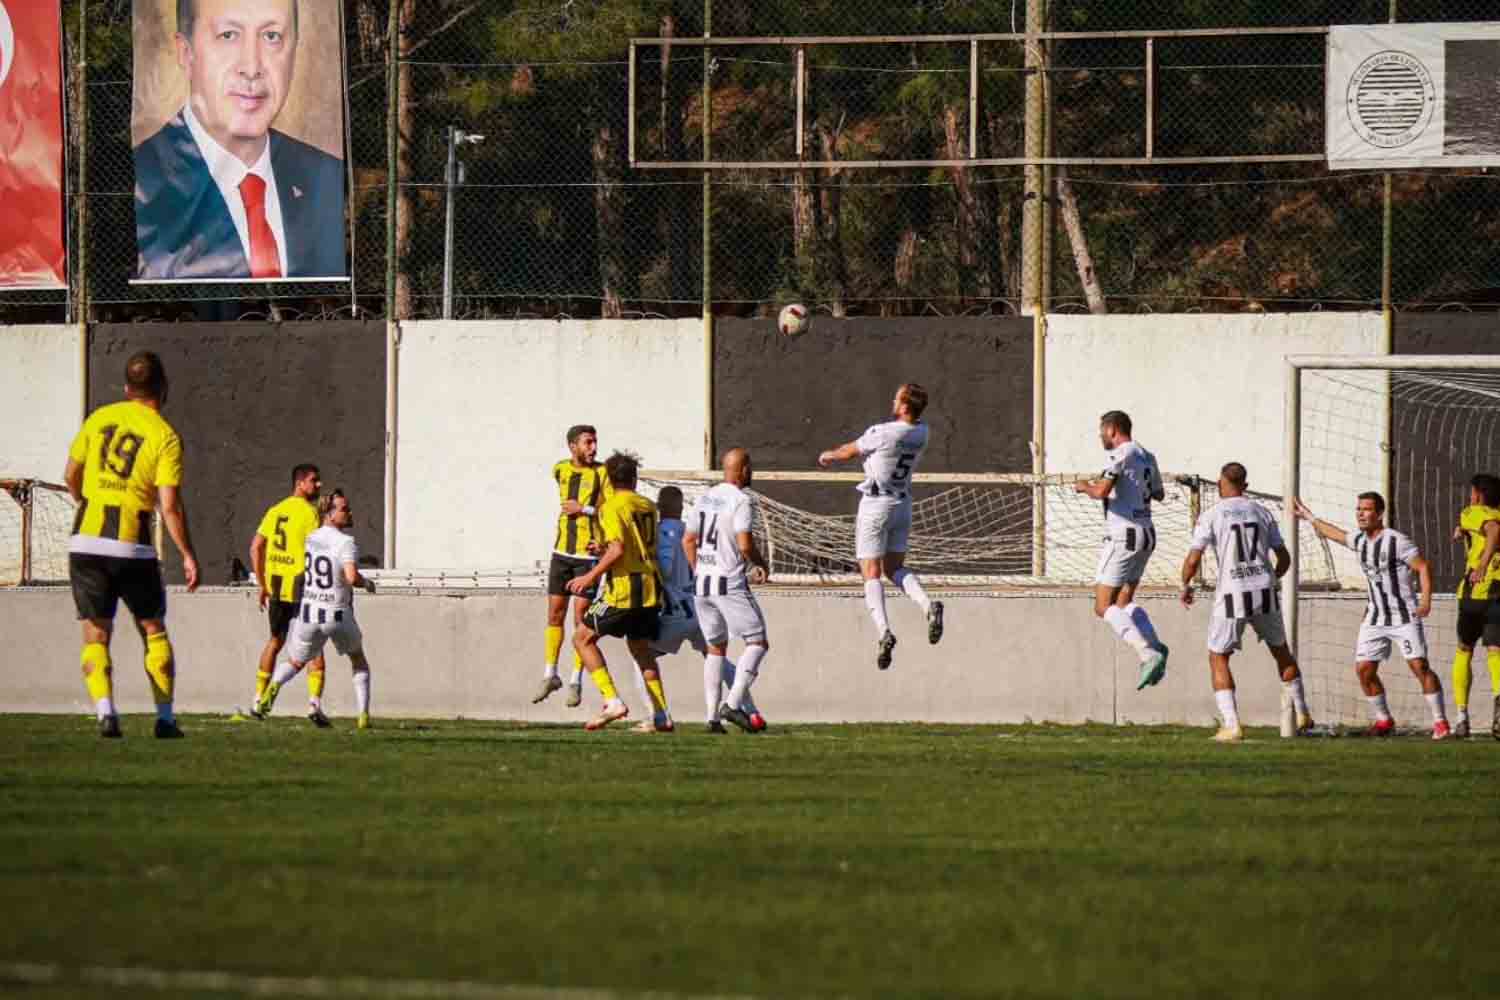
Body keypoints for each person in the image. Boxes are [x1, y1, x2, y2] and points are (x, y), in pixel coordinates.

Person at [133, 0, 344, 280]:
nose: (252, 67)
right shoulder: (138, 181)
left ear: (294, 51)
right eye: (228, 35)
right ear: (186, 53)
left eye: (272, 36)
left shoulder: (328, 178)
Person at [64, 351, 201, 739]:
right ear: (163, 388)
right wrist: (187, 554)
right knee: (153, 628)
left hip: (86, 540)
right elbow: (169, 506)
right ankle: (165, 719)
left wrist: (86, 501)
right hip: (132, 545)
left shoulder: (99, 418)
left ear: (126, 388)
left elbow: (71, 474)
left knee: (96, 632)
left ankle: (105, 713)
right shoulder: (165, 435)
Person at [1294, 493, 1450, 739]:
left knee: (1419, 666)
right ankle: (1384, 720)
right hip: (1375, 617)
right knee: (1364, 670)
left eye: (1366, 509)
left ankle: (1441, 722)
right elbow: (1335, 534)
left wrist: (1425, 600)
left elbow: (1423, 567)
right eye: (1358, 509)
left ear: (1379, 514)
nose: (1361, 513)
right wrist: (1309, 516)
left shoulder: (1397, 541)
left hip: (1403, 616)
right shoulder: (1359, 540)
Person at [1179, 463, 1313, 742]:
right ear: (1245, 485)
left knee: (1218, 656)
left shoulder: (1212, 514)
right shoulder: (1262, 511)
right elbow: (1284, 558)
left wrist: (1186, 585)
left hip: (1233, 593)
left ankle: (1232, 725)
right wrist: (1271, 579)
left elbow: (1193, 559)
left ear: (1220, 483)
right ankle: (1302, 714)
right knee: (1281, 651)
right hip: (1264, 590)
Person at [817, 383, 943, 671]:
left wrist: (828, 455)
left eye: (897, 398)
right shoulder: (923, 432)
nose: (893, 400)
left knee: (871, 572)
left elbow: (849, 451)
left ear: (904, 406)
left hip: (876, 505)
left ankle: (884, 631)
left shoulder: (883, 432)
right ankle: (927, 605)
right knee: (894, 568)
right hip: (902, 504)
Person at [564, 452, 669, 731]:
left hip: (624, 589)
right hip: (651, 586)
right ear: (634, 478)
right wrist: (604, 549)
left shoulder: (611, 507)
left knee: (582, 638)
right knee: (641, 649)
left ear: (609, 480)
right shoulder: (648, 505)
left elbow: (619, 549)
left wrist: (589, 576)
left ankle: (612, 701)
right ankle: (662, 715)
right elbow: (631, 544)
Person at [255, 490, 376, 729]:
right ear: (329, 514)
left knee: (295, 662)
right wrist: (367, 583)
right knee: (358, 660)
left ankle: (273, 688)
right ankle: (363, 715)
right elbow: (351, 577)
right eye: (344, 509)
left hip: (309, 611)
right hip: (336, 612)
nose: (349, 512)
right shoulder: (345, 542)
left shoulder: (311, 538)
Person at [1075, 410, 1169, 690]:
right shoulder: (1147, 456)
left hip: (1123, 536)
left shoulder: (1120, 454)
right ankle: (1155, 645)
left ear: (1113, 429)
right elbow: (1159, 493)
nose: (1100, 436)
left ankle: (1147, 654)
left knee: (1103, 605)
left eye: (1101, 431)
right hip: (1147, 534)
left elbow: (1102, 491)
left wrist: (1085, 487)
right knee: (1124, 602)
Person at [684, 449, 772, 734]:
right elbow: (744, 544)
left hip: (702, 583)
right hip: (728, 582)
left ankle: (712, 719)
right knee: (757, 642)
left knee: (715, 648)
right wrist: (760, 564)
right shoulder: (741, 500)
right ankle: (732, 704)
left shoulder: (705, 497)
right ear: (744, 469)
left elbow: (688, 540)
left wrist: (699, 570)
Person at [534, 424, 611, 708]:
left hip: (587, 556)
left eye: (595, 442)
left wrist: (585, 509)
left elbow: (611, 509)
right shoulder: (560, 469)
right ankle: (550, 674)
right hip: (561, 553)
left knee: (580, 619)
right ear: (572, 446)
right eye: (588, 442)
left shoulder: (602, 473)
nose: (593, 448)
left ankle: (576, 680)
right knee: (555, 614)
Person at [240, 463, 324, 721]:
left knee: (275, 641)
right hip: (301, 587)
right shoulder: (310, 513)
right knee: (314, 645)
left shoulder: (275, 510)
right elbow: (318, 550)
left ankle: (257, 699)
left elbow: (255, 547)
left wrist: (262, 584)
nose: (318, 485)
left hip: (276, 587)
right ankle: (314, 705)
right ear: (300, 483)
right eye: (314, 480)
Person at [1450, 473, 1500, 739]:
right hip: (1498, 594)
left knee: (1464, 649)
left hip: (1475, 593)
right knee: (1495, 650)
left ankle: (1461, 716)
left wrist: (1482, 564)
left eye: (1472, 492)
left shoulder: (1474, 512)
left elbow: (1492, 530)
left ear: (1479, 494)